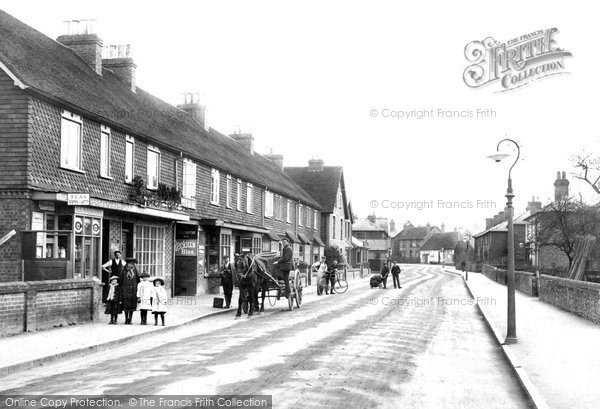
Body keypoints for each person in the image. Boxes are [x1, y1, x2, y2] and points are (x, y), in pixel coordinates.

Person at [119, 257, 140, 325]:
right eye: (130, 263)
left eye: (133, 264)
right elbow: (120, 280)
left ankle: (130, 318)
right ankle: (126, 319)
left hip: (133, 290)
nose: (132, 265)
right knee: (126, 305)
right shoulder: (123, 270)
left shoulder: (135, 270)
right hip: (125, 290)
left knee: (132, 305)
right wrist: (122, 288)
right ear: (127, 264)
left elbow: (138, 279)